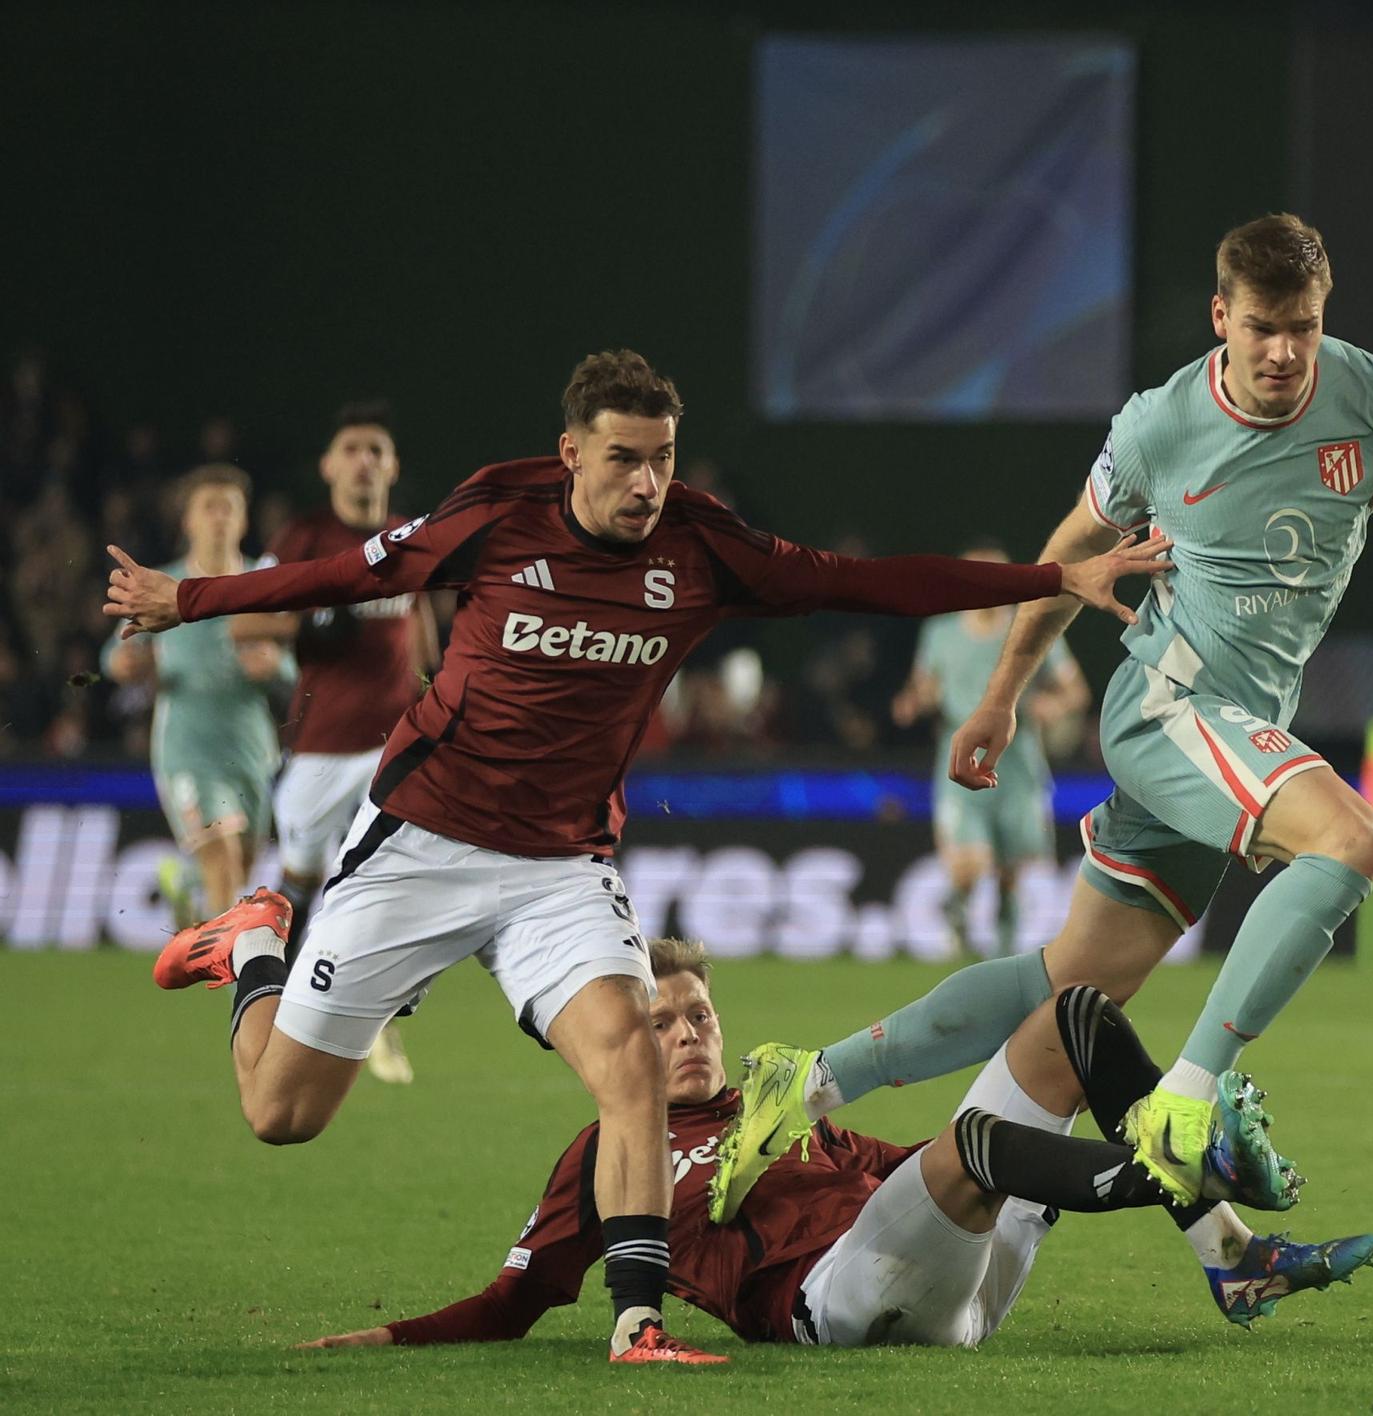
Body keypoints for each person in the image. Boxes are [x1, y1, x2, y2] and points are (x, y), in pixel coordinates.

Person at [712, 212, 1373, 1222]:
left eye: (1304, 328)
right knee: (1348, 838)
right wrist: (998, 695)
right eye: (1264, 329)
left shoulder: (1372, 399)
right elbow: (1063, 559)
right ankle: (1188, 1100)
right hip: (1170, 707)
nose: (1284, 353)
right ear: (1220, 319)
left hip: (1231, 730)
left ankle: (802, 1081)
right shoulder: (1157, 427)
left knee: (1069, 983)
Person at [103, 348, 1173, 1366]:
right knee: (281, 1115)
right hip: (421, 844)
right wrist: (182, 599)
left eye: (662, 456)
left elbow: (864, 581)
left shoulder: (701, 546)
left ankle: (635, 1324)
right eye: (623, 457)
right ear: (571, 452)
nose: (647, 480)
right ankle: (252, 945)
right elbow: (333, 572)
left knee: (629, 1065)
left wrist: (1047, 576)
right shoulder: (494, 512)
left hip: (560, 862)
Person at [297, 939, 1373, 1353]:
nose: (686, 1036)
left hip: (944, 1269)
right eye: (660, 1023)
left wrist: (984, 1172)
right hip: (828, 1304)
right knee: (970, 1145)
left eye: (697, 1016)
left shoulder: (778, 1116)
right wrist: (383, 1341)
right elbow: (514, 1302)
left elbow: (891, 1173)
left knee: (1073, 1017)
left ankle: (1225, 1256)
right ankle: (1177, 1168)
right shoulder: (605, 1151)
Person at [222, 402, 439, 1084]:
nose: (365, 459)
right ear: (329, 464)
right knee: (302, 882)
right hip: (320, 745)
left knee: (393, 882)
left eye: (377, 448)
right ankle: (272, 1005)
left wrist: (436, 692)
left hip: (396, 744)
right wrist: (311, 620)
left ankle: (376, 1025)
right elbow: (242, 624)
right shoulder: (305, 535)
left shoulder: (411, 536)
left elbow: (420, 622)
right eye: (352, 448)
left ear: (393, 464)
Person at [101, 463, 295, 922]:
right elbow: (112, 657)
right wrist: (125, 665)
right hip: (187, 747)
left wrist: (277, 665)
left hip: (250, 748)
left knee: (241, 866)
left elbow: (300, 666)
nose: (220, 517)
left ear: (244, 519)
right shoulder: (162, 584)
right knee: (222, 857)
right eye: (209, 506)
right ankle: (236, 980)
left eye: (229, 507)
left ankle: (182, 881)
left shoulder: (265, 584)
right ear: (188, 520)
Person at [891, 542, 1090, 956]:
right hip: (960, 759)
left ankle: (1001, 955)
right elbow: (925, 685)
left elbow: (1075, 690)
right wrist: (915, 700)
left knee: (1012, 872)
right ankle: (957, 906)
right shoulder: (941, 632)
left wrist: (1050, 705)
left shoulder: (1030, 626)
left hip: (1019, 765)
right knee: (969, 865)